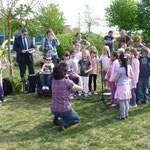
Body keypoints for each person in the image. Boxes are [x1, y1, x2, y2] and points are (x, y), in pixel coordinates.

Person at [51, 63, 83, 131]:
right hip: (65, 109)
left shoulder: (53, 81)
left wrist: (66, 77)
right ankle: (64, 123)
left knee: (60, 107)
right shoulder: (68, 82)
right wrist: (79, 77)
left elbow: (61, 82)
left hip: (54, 109)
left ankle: (57, 118)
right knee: (76, 119)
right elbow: (81, 88)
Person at [115, 53, 133, 120]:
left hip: (121, 86)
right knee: (126, 101)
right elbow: (132, 76)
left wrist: (116, 82)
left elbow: (116, 79)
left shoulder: (120, 69)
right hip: (127, 85)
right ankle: (126, 114)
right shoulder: (129, 66)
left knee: (122, 101)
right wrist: (127, 77)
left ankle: (122, 115)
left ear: (121, 60)